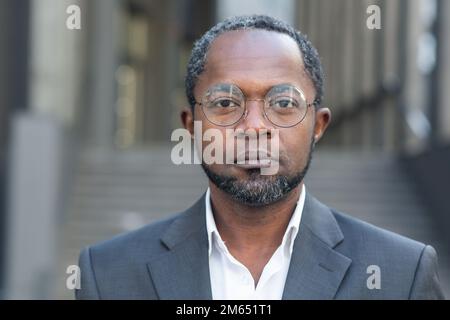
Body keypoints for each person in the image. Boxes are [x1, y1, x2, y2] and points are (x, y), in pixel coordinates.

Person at [76, 15, 444, 300]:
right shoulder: (109, 273)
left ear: (318, 125)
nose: (254, 126)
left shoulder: (401, 273)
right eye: (225, 103)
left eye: (283, 104)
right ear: (191, 125)